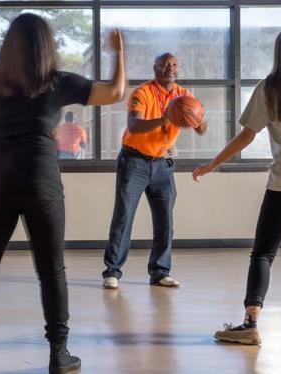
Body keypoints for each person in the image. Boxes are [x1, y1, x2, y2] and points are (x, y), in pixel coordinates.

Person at [0, 15, 126, 374]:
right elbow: (115, 92)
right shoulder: (58, 83)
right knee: (51, 270)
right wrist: (119, 53)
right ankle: (59, 353)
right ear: (46, 47)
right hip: (41, 179)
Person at [192, 24, 281, 345]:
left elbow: (247, 135)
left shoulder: (269, 88)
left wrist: (212, 164)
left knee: (263, 253)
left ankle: (249, 325)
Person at [101, 53, 207, 290]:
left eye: (174, 64)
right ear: (155, 67)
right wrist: (165, 118)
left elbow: (201, 129)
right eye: (165, 64)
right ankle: (112, 272)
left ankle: (160, 272)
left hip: (163, 165)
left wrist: (197, 116)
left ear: (178, 69)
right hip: (134, 161)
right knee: (124, 217)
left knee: (165, 221)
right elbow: (134, 125)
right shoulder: (142, 93)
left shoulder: (184, 96)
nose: (170, 68)